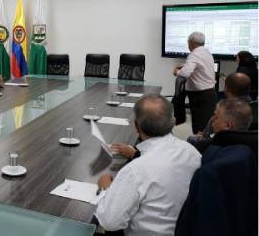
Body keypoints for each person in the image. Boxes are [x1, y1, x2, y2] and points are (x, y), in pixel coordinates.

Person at [94, 94, 201, 236]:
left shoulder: (135, 170)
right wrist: (135, 154)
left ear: (136, 126)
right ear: (173, 122)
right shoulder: (192, 152)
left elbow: (110, 222)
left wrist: (106, 189)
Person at [187, 72, 255, 152]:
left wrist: (202, 137)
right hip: (246, 150)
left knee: (191, 139)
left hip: (216, 148)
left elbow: (208, 140)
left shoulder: (221, 113)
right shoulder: (254, 107)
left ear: (226, 89)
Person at [173, 31, 216, 133]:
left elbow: (185, 74)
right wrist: (185, 66)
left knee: (199, 127)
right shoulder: (206, 52)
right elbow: (200, 66)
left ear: (191, 43)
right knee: (205, 124)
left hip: (200, 96)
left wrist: (176, 72)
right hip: (209, 93)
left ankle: (199, 147)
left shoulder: (194, 54)